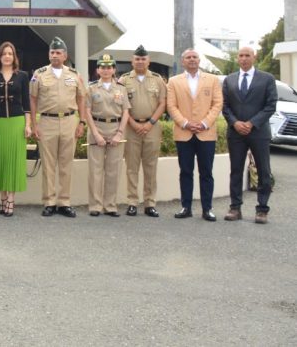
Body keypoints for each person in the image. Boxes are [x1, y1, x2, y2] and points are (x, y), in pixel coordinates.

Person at [29, 36, 86, 218]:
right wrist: (33, 123)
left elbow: (81, 98)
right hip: (47, 122)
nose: (55, 55)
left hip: (69, 121)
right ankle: (49, 202)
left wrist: (82, 121)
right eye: (52, 52)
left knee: (66, 164)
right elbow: (33, 98)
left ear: (65, 55)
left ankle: (64, 202)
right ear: (49, 55)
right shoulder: (39, 74)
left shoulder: (74, 75)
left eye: (58, 52)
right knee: (48, 165)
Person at [222, 46, 277, 224]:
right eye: (241, 55)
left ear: (254, 57)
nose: (244, 58)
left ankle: (262, 209)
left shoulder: (267, 79)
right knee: (236, 171)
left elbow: (270, 105)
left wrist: (252, 123)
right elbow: (225, 106)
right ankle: (235, 207)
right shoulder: (229, 80)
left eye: (247, 55)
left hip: (259, 132)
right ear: (237, 58)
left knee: (264, 171)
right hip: (236, 132)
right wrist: (235, 123)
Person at [166, 48, 223, 221]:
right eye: (188, 57)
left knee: (206, 172)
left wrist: (204, 123)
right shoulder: (174, 81)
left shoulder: (212, 80)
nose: (192, 60)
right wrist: (185, 123)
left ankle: (207, 209)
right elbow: (171, 106)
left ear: (199, 60)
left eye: (195, 57)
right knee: (185, 171)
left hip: (206, 133)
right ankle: (186, 207)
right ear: (182, 61)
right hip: (184, 133)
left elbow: (217, 103)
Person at [0, 42, 31, 218]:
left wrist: (28, 124)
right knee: (1, 160)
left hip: (17, 122)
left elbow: (26, 102)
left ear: (14, 57)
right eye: (4, 54)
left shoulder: (23, 76)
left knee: (14, 161)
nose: (7, 56)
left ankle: (11, 199)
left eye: (10, 53)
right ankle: (2, 198)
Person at [118, 45, 166, 217]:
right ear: (132, 61)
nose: (140, 61)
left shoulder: (157, 79)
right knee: (131, 167)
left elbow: (162, 103)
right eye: (137, 59)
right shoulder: (123, 80)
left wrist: (150, 122)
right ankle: (132, 202)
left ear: (148, 61)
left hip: (152, 127)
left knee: (150, 167)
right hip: (131, 128)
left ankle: (150, 203)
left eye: (143, 59)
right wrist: (133, 123)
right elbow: (121, 105)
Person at [85, 54, 130, 217]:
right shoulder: (91, 88)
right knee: (95, 170)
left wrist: (119, 133)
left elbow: (126, 112)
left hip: (116, 129)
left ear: (114, 70)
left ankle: (110, 205)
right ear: (97, 70)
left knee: (113, 170)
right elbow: (87, 112)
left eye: (109, 67)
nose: (106, 70)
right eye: (102, 67)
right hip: (97, 128)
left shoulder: (121, 88)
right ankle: (95, 206)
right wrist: (96, 134)